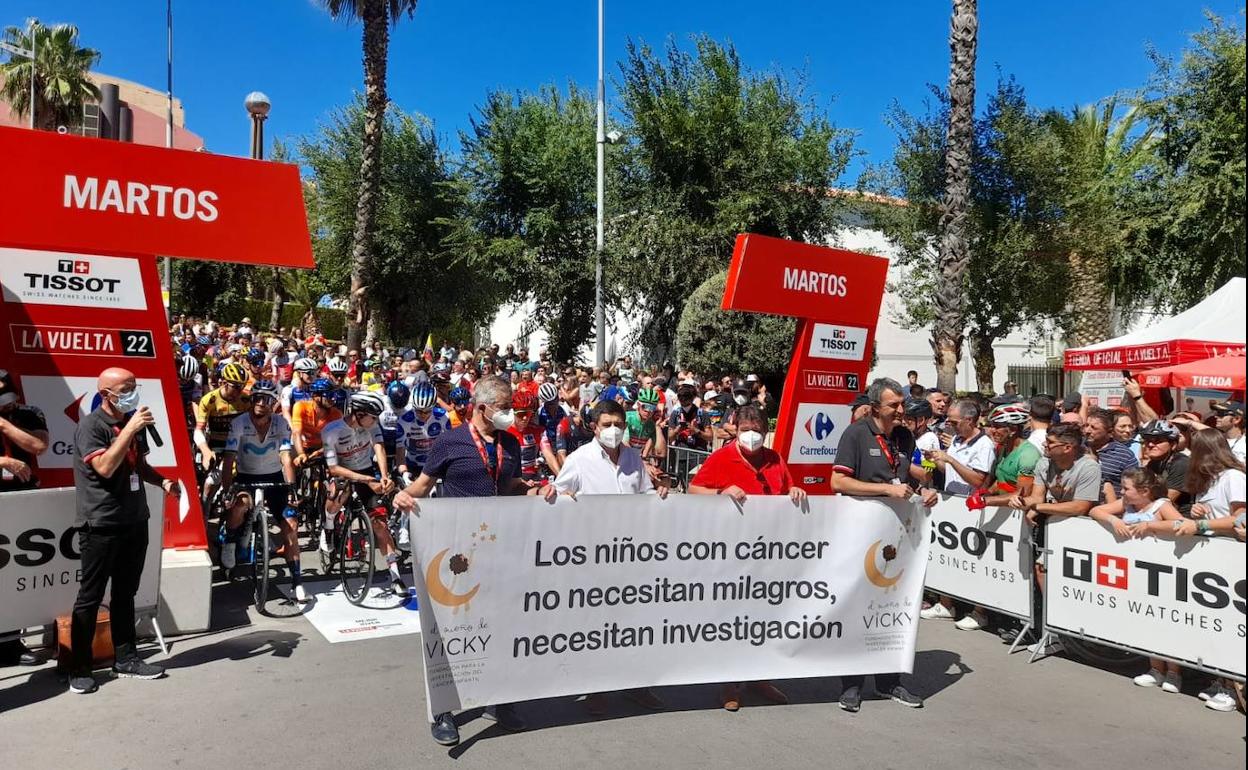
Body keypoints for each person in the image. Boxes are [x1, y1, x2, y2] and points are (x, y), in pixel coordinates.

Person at [393, 375, 550, 745]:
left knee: (502, 625)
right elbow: (423, 485)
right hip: (457, 553)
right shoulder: (450, 441)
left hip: (499, 548)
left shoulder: (510, 443)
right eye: (505, 407)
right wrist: (403, 497)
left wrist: (533, 489)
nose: (512, 414)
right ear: (482, 408)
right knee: (452, 632)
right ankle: (444, 710)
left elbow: (509, 484)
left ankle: (501, 700)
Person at [68, 367, 182, 694]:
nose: (133, 394)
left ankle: (126, 657)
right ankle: (80, 667)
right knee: (90, 597)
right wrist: (128, 429)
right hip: (101, 523)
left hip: (135, 519)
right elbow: (104, 467)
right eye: (126, 389)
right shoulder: (91, 427)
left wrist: (163, 482)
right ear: (106, 394)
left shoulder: (133, 423)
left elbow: (139, 466)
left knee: (125, 593)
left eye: (135, 387)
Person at [552, 399, 668, 715]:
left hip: (631, 557)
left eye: (618, 424)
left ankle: (635, 685)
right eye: (607, 424)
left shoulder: (633, 458)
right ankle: (595, 689)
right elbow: (558, 494)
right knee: (595, 627)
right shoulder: (578, 459)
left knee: (632, 624)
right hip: (593, 557)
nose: (614, 430)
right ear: (594, 427)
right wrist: (565, 500)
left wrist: (657, 495)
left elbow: (644, 494)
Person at [688, 403, 806, 711]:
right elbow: (692, 490)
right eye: (745, 431)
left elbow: (789, 489)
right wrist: (720, 493)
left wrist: (796, 493)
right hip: (732, 555)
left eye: (757, 431)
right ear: (734, 431)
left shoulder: (775, 459)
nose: (751, 436)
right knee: (734, 621)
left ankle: (759, 677)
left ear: (766, 432)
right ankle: (729, 683)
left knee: (764, 620)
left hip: (769, 555)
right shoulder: (721, 458)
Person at [830, 377, 937, 712]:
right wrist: (886, 491)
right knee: (860, 607)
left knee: (895, 609)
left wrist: (925, 491)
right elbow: (838, 480)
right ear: (876, 407)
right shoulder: (856, 434)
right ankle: (851, 685)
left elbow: (907, 474)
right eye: (894, 405)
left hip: (899, 534)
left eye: (902, 404)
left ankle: (890, 682)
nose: (901, 410)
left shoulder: (904, 436)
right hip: (862, 532)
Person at [1010, 422, 1102, 656]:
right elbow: (1037, 496)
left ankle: (1074, 633)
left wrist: (1039, 507)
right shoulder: (1044, 462)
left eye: (1050, 443)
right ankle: (1054, 631)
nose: (1045, 445)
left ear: (1068, 447)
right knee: (1041, 571)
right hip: (1053, 528)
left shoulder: (1089, 467)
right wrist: (1021, 502)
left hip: (1081, 532)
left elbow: (1081, 506)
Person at [217, 381, 305, 600]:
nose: (260, 403)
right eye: (256, 398)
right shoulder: (239, 423)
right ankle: (229, 542)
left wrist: (292, 487)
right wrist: (227, 490)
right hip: (246, 477)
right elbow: (229, 459)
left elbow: (286, 457)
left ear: (274, 404)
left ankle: (297, 580)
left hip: (274, 477)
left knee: (291, 524)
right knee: (239, 505)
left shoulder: (281, 424)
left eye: (266, 400)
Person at [321, 391, 404, 594]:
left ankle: (395, 576)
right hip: (343, 471)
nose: (376, 421)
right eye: (373, 417)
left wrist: (384, 476)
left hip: (366, 471)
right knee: (336, 494)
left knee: (380, 525)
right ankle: (329, 526)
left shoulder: (372, 426)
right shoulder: (332, 431)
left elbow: (379, 448)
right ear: (358, 413)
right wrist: (368, 480)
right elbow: (333, 469)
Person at [0, 368, 51, 667]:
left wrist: (5, 425)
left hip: (22, 503)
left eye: (10, 400)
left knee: (14, 573)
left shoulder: (30, 412)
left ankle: (10, 645)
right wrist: (4, 461)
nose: (8, 405)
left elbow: (39, 445)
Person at [195, 362, 251, 505]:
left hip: (237, 445)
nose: (240, 391)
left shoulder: (245, 400)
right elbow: (198, 430)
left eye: (242, 386)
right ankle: (204, 517)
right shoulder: (209, 400)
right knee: (208, 485)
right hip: (216, 445)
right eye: (236, 386)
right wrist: (206, 451)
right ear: (225, 383)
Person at [927, 399, 995, 497]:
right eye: (949, 422)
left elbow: (978, 481)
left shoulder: (984, 445)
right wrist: (935, 459)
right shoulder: (957, 439)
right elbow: (950, 471)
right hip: (951, 498)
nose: (951, 426)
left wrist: (950, 460)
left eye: (954, 423)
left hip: (968, 502)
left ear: (969, 420)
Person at [396, 382, 451, 483]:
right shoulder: (404, 420)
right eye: (418, 410)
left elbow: (449, 445)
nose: (423, 414)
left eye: (427, 411)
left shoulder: (443, 417)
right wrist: (404, 472)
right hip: (413, 466)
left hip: (436, 464)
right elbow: (400, 450)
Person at [1083, 407, 1138, 499]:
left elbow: (1134, 486)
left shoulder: (1125, 455)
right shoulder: (1077, 448)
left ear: (1109, 432)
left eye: (1093, 428)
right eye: (1086, 425)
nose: (1087, 431)